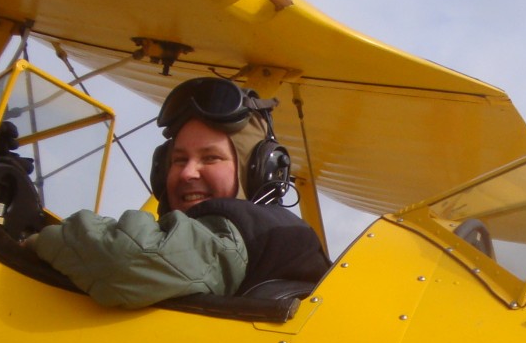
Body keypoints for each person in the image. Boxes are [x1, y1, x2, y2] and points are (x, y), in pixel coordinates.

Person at [27, 77, 329, 308]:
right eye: (179, 160)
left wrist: (36, 241)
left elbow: (128, 258)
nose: (187, 173)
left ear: (258, 170)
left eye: (211, 158)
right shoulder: (271, 233)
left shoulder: (238, 229)